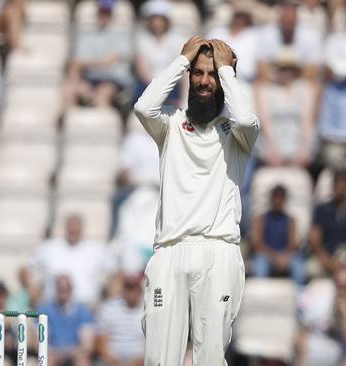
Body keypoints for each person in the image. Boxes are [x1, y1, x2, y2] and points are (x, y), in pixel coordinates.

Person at [133, 36, 259, 365]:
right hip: (170, 251)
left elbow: (247, 119)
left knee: (211, 357)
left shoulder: (237, 134)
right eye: (198, 73)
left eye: (212, 74)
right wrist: (181, 62)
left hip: (218, 251)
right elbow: (143, 107)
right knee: (160, 358)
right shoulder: (172, 125)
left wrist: (227, 69)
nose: (204, 82)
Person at [27, 214, 115, 306]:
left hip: (87, 307)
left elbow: (115, 274)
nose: (73, 230)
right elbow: (25, 269)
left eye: (76, 227)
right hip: (53, 306)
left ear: (82, 228)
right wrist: (34, 292)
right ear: (65, 228)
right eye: (71, 227)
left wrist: (110, 297)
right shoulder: (49, 247)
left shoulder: (97, 249)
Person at [65, 0, 132, 108]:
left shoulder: (120, 34)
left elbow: (109, 61)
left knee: (102, 94)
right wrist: (77, 81)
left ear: (111, 15)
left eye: (107, 13)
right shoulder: (88, 33)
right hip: (91, 79)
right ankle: (69, 121)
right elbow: (77, 62)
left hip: (113, 80)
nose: (103, 16)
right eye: (101, 12)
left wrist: (87, 63)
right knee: (69, 89)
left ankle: (103, 123)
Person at [250, 185, 305, 287]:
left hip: (285, 255)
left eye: (281, 198)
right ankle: (260, 293)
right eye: (275, 197)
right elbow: (257, 243)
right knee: (260, 264)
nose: (278, 201)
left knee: (298, 264)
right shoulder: (261, 219)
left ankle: (299, 295)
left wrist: (284, 257)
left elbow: (293, 244)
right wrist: (274, 257)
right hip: (267, 255)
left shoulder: (290, 220)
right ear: (271, 199)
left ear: (285, 200)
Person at [37, 275, 95, 366]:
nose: (63, 291)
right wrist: (54, 353)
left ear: (71, 289)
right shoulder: (44, 310)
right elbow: (39, 340)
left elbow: (87, 344)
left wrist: (72, 352)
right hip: (52, 353)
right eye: (60, 288)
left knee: (83, 362)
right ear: (55, 289)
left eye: (66, 288)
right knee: (44, 360)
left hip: (75, 354)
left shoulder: (82, 311)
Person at [96, 273, 146, 366]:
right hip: (112, 361)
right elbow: (101, 344)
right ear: (123, 288)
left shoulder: (148, 310)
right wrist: (116, 363)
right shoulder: (109, 308)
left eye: (135, 287)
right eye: (128, 287)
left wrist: (136, 363)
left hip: (139, 361)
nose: (132, 291)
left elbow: (152, 345)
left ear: (140, 289)